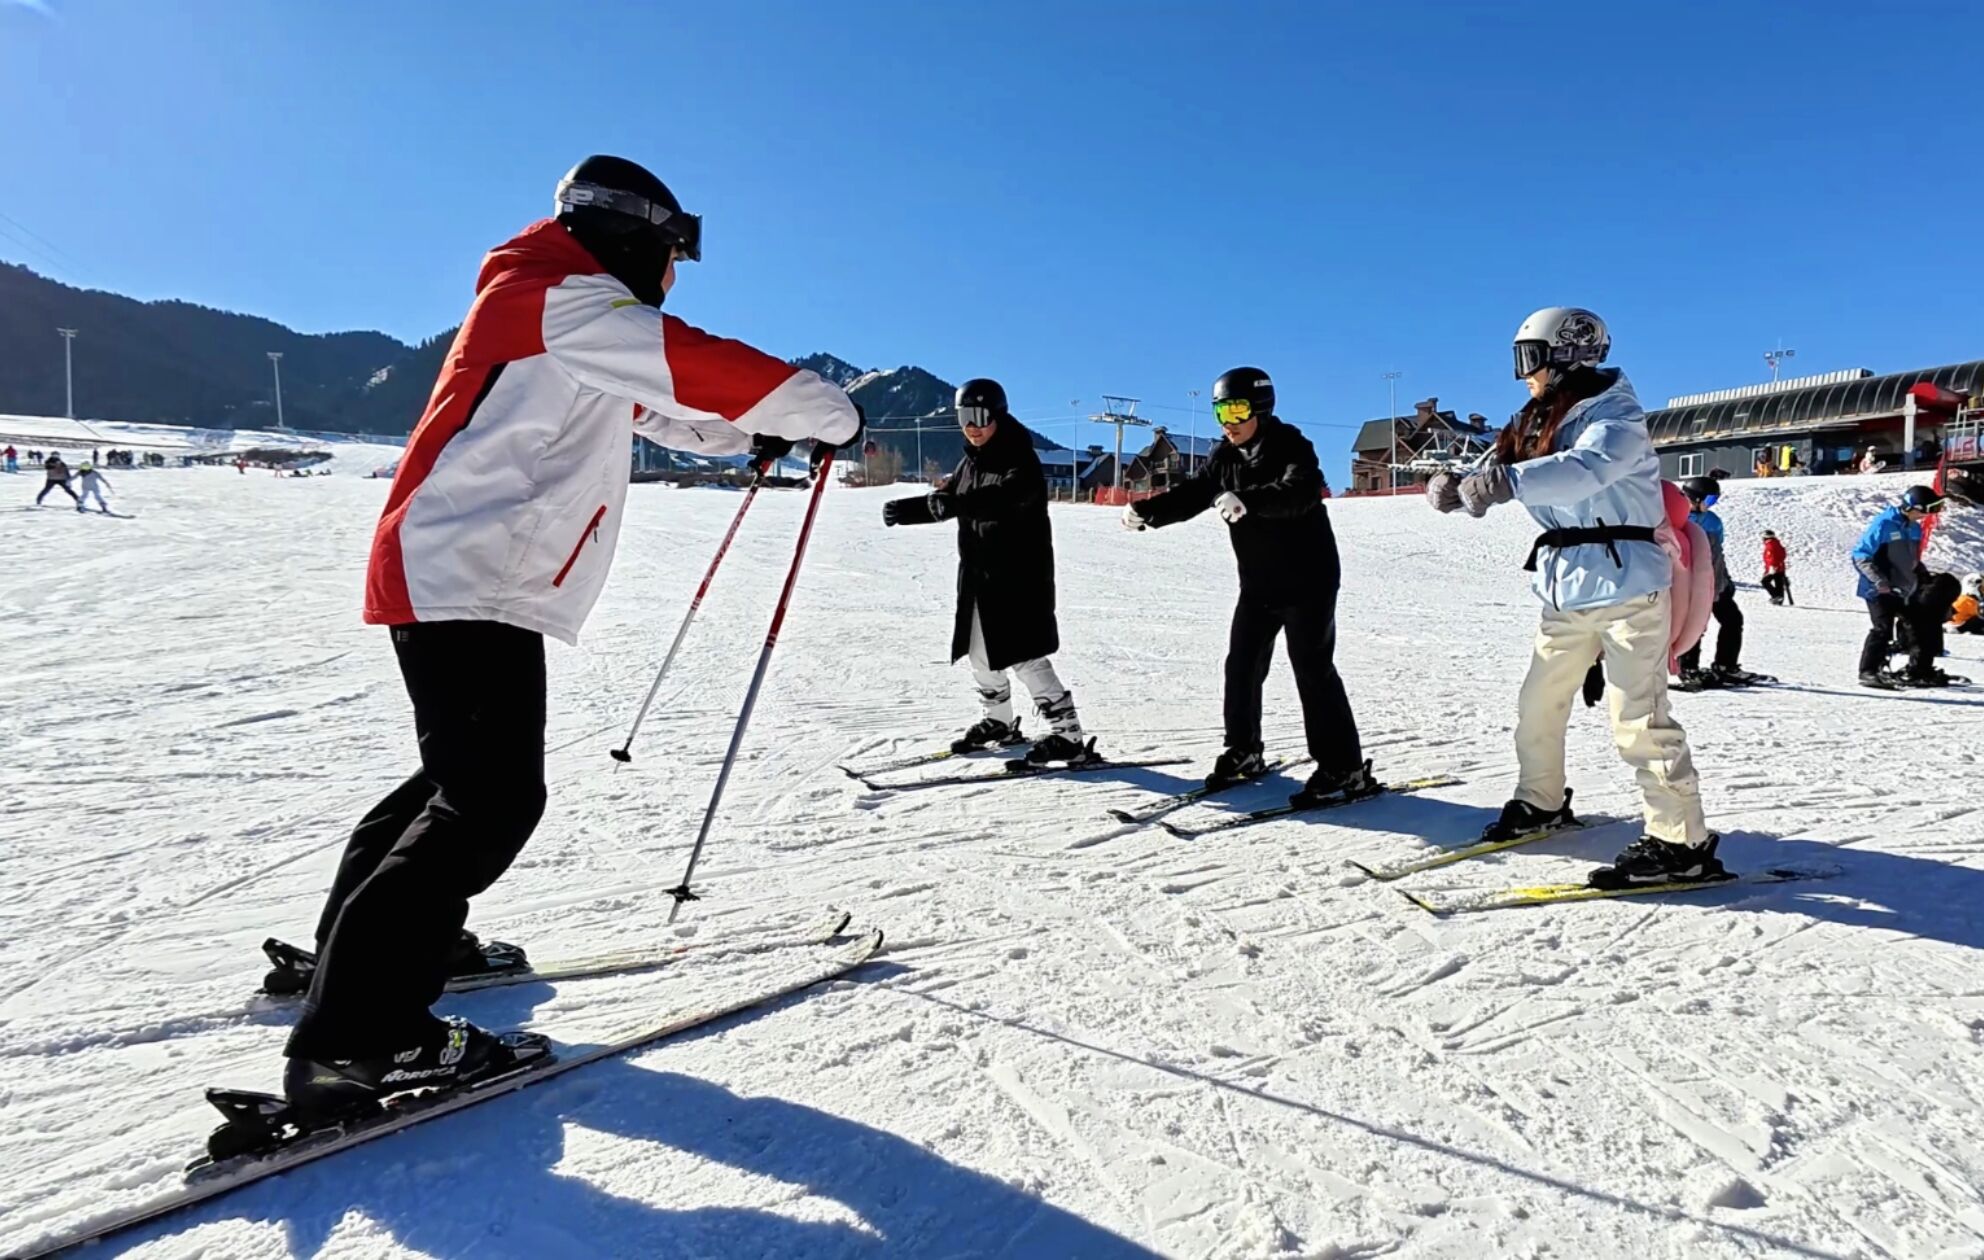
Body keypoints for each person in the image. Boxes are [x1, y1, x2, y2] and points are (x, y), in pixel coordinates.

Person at [280, 155, 862, 1119]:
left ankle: (362, 962)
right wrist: (821, 407)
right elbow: (689, 361)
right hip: (470, 576)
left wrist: (753, 436)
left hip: (463, 574)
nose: (672, 275)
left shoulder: (559, 312)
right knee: (492, 797)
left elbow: (659, 407)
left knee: (454, 783)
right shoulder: (558, 295)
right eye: (671, 254)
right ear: (633, 235)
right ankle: (359, 1038)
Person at [1426, 307, 1716, 888]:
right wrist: (1458, 486)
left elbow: (1586, 469)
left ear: (1565, 354)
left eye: (1528, 359)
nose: (1522, 375)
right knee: (1539, 703)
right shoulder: (1540, 420)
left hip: (1629, 585)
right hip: (1564, 588)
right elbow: (1500, 465)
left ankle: (1680, 840)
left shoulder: (1616, 417)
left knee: (1638, 717)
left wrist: (1507, 482)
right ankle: (1541, 800)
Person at [1122, 366, 1369, 807]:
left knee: (1311, 668)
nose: (1228, 422)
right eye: (1221, 411)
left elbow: (1301, 491)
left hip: (1308, 579)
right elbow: (1196, 491)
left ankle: (1343, 767)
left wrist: (1249, 500)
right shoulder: (1224, 457)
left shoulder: (1291, 444)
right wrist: (1150, 512)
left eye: (1236, 410)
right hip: (1260, 583)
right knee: (1242, 664)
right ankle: (1244, 751)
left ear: (1260, 407)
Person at [881, 378, 1090, 765]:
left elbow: (1000, 499)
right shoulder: (970, 462)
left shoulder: (1020, 460)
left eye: (979, 416)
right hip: (980, 576)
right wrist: (908, 510)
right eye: (963, 417)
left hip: (1019, 577)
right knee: (979, 650)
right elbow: (947, 500)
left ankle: (1068, 735)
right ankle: (1000, 721)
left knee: (1025, 655)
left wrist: (954, 503)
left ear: (998, 415)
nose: (971, 426)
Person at [1851, 485, 1950, 688]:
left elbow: (1911, 559)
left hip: (1904, 588)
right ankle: (1868, 671)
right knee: (1882, 629)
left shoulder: (1914, 527)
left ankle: (1918, 670)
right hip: (1878, 588)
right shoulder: (1884, 524)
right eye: (1930, 509)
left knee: (1919, 626)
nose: (1929, 514)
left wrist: (1922, 573)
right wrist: (1879, 581)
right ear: (1915, 507)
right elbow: (1860, 555)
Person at [1673, 476, 1757, 686]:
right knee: (1695, 625)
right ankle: (1688, 668)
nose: (1711, 506)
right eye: (1709, 500)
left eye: (1714, 501)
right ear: (1693, 499)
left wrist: (1725, 581)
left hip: (1715, 582)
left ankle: (1725, 665)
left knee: (1733, 619)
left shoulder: (1713, 521)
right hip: (1691, 584)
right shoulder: (1678, 520)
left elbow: (1717, 553)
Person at [1760, 529, 1791, 605]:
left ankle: (1776, 596)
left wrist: (1771, 567)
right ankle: (1779, 600)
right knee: (1779, 584)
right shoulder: (1777, 543)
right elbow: (1783, 554)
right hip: (1780, 567)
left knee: (1765, 581)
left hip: (1774, 568)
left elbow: (1771, 557)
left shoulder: (1770, 545)